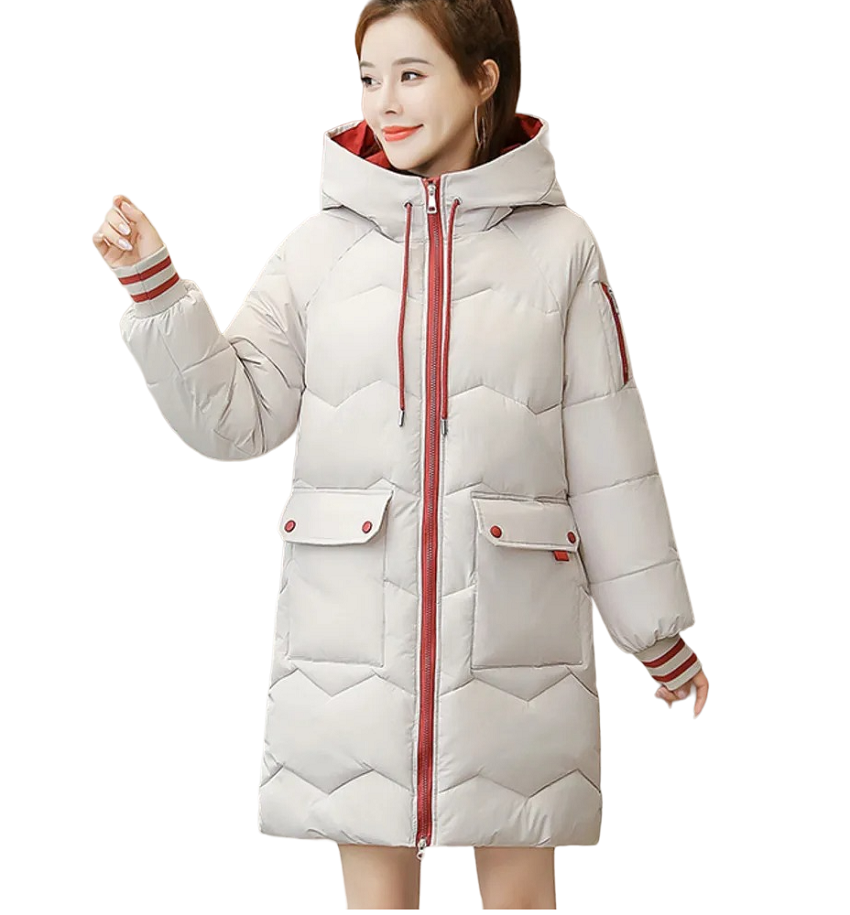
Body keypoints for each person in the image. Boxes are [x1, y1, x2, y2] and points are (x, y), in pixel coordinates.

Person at [93, 0, 709, 908]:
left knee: (520, 888)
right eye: (369, 77)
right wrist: (156, 290)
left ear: (483, 79)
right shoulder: (317, 252)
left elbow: (609, 448)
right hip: (351, 651)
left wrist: (655, 635)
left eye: (412, 74)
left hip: (516, 648)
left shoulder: (562, 251)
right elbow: (238, 418)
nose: (385, 101)